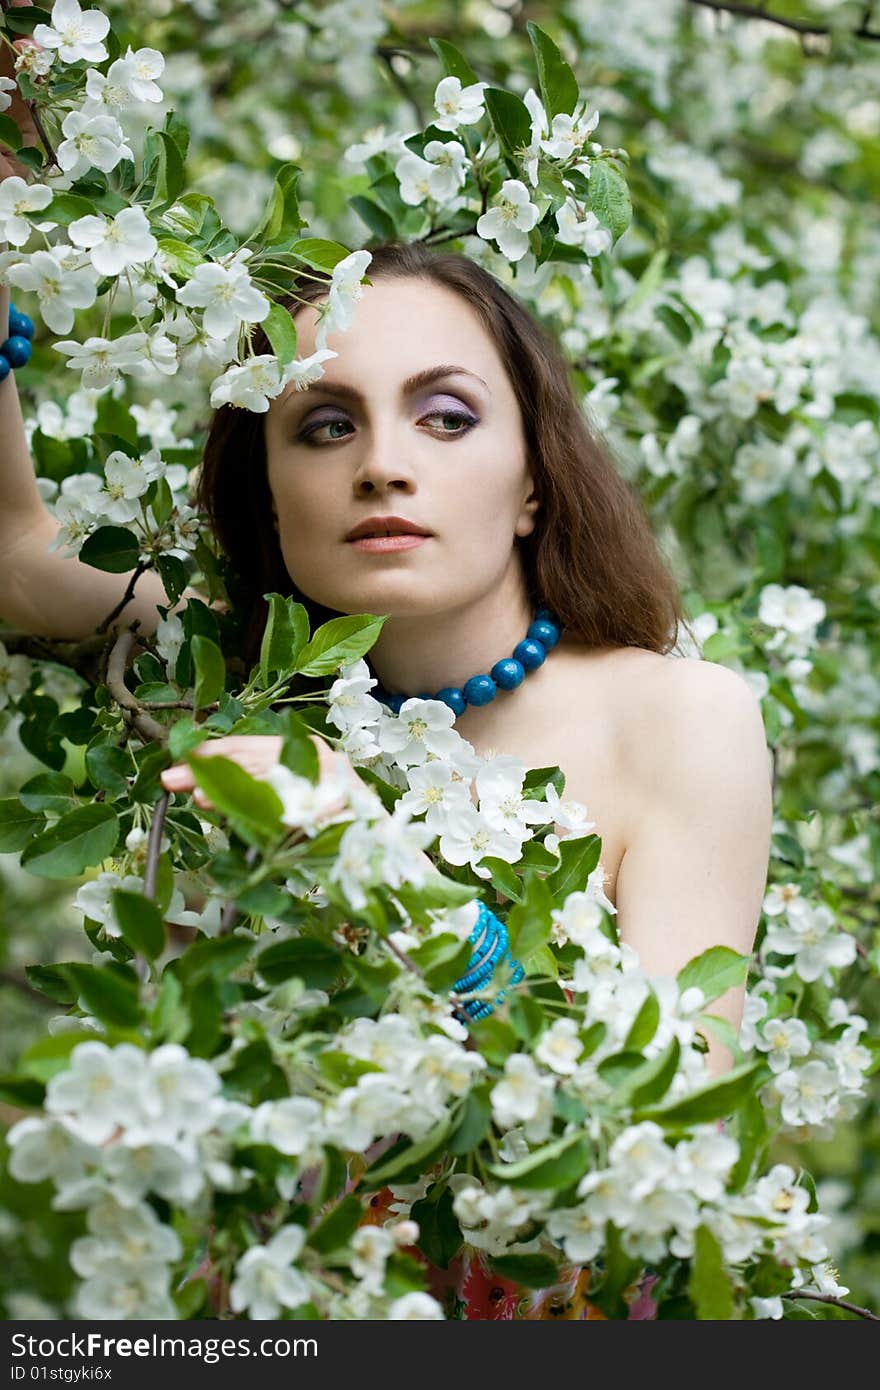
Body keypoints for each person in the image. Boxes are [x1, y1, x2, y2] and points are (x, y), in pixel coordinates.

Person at [0, 56, 773, 1319]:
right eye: (324, 424)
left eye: (448, 417)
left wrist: (378, 865)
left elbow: (680, 1102)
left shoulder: (679, 716)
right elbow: (19, 564)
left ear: (534, 480)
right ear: (265, 491)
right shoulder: (238, 674)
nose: (383, 467)